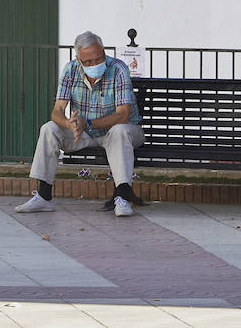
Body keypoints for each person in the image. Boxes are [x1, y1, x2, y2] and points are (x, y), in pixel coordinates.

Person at [15, 30, 144, 217]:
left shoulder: (118, 69)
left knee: (120, 131)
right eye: (88, 62)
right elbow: (57, 110)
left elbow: (122, 115)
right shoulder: (70, 69)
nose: (94, 64)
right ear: (78, 58)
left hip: (122, 131)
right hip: (85, 132)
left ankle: (123, 198)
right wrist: (70, 124)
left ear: (103, 51)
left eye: (98, 59)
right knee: (49, 129)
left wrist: (88, 123)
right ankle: (43, 197)